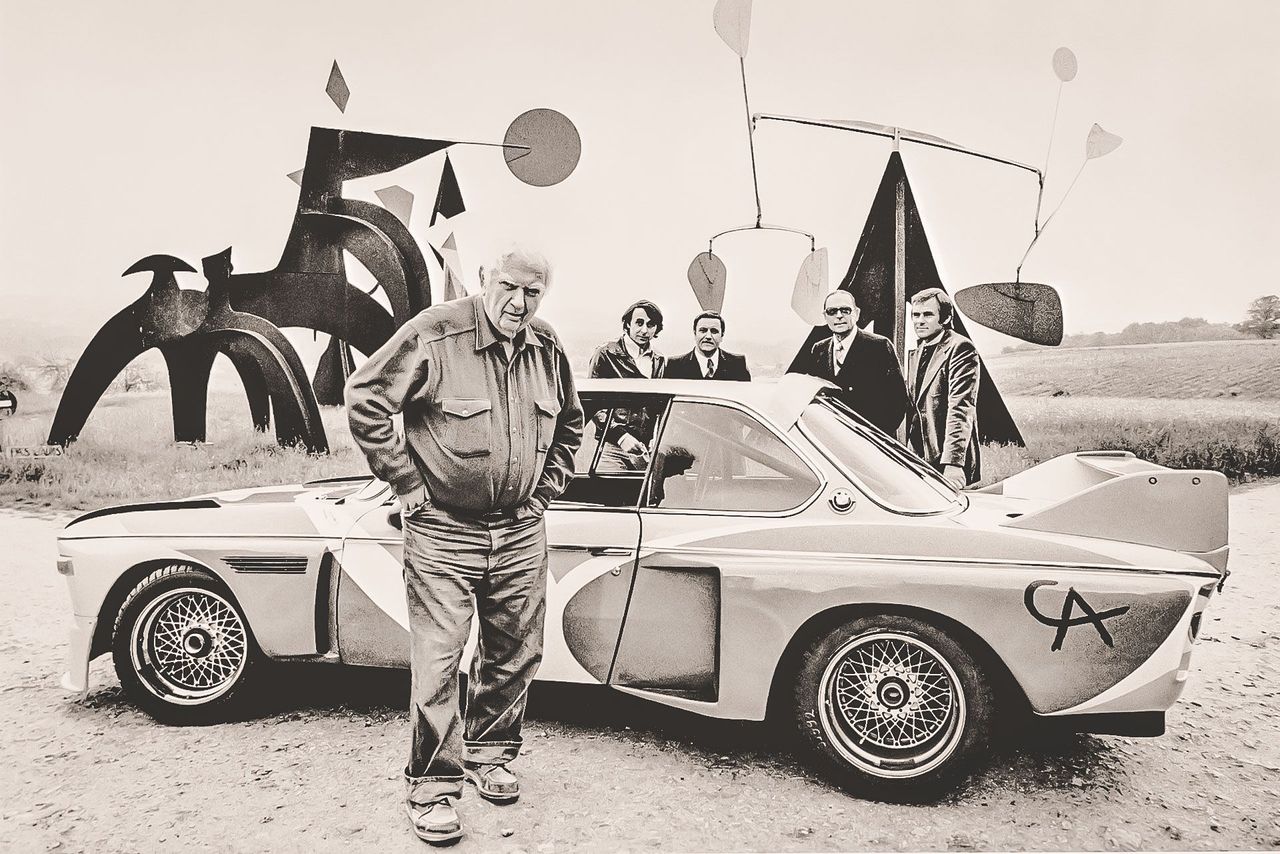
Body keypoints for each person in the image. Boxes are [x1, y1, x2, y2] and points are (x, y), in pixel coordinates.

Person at [345, 248, 584, 845]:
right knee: (439, 660)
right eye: (508, 286)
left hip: (521, 529)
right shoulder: (435, 333)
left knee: (516, 651)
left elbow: (571, 425)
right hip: (443, 530)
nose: (518, 303)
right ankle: (431, 787)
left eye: (533, 292)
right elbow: (366, 397)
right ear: (483, 279)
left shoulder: (547, 347)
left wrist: (543, 493)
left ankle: (490, 753)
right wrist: (407, 484)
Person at [791, 290, 908, 435]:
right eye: (832, 311)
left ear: (857, 313)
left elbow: (898, 402)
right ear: (825, 317)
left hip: (870, 440)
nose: (839, 316)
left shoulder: (879, 346)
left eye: (845, 310)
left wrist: (876, 436)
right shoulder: (818, 349)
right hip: (830, 438)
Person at [906, 287, 980, 487]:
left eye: (928, 314)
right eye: (915, 315)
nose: (920, 321)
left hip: (946, 460)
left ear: (945, 318)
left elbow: (961, 407)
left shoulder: (960, 347)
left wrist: (953, 464)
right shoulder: (918, 350)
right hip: (919, 458)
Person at [587, 299, 667, 379]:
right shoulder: (605, 353)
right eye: (639, 323)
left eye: (650, 325)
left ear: (657, 328)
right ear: (628, 324)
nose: (644, 331)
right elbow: (593, 386)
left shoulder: (659, 359)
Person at [664, 311, 751, 380]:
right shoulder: (675, 365)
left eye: (714, 331)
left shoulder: (738, 364)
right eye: (703, 330)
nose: (708, 336)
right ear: (695, 334)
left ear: (722, 336)